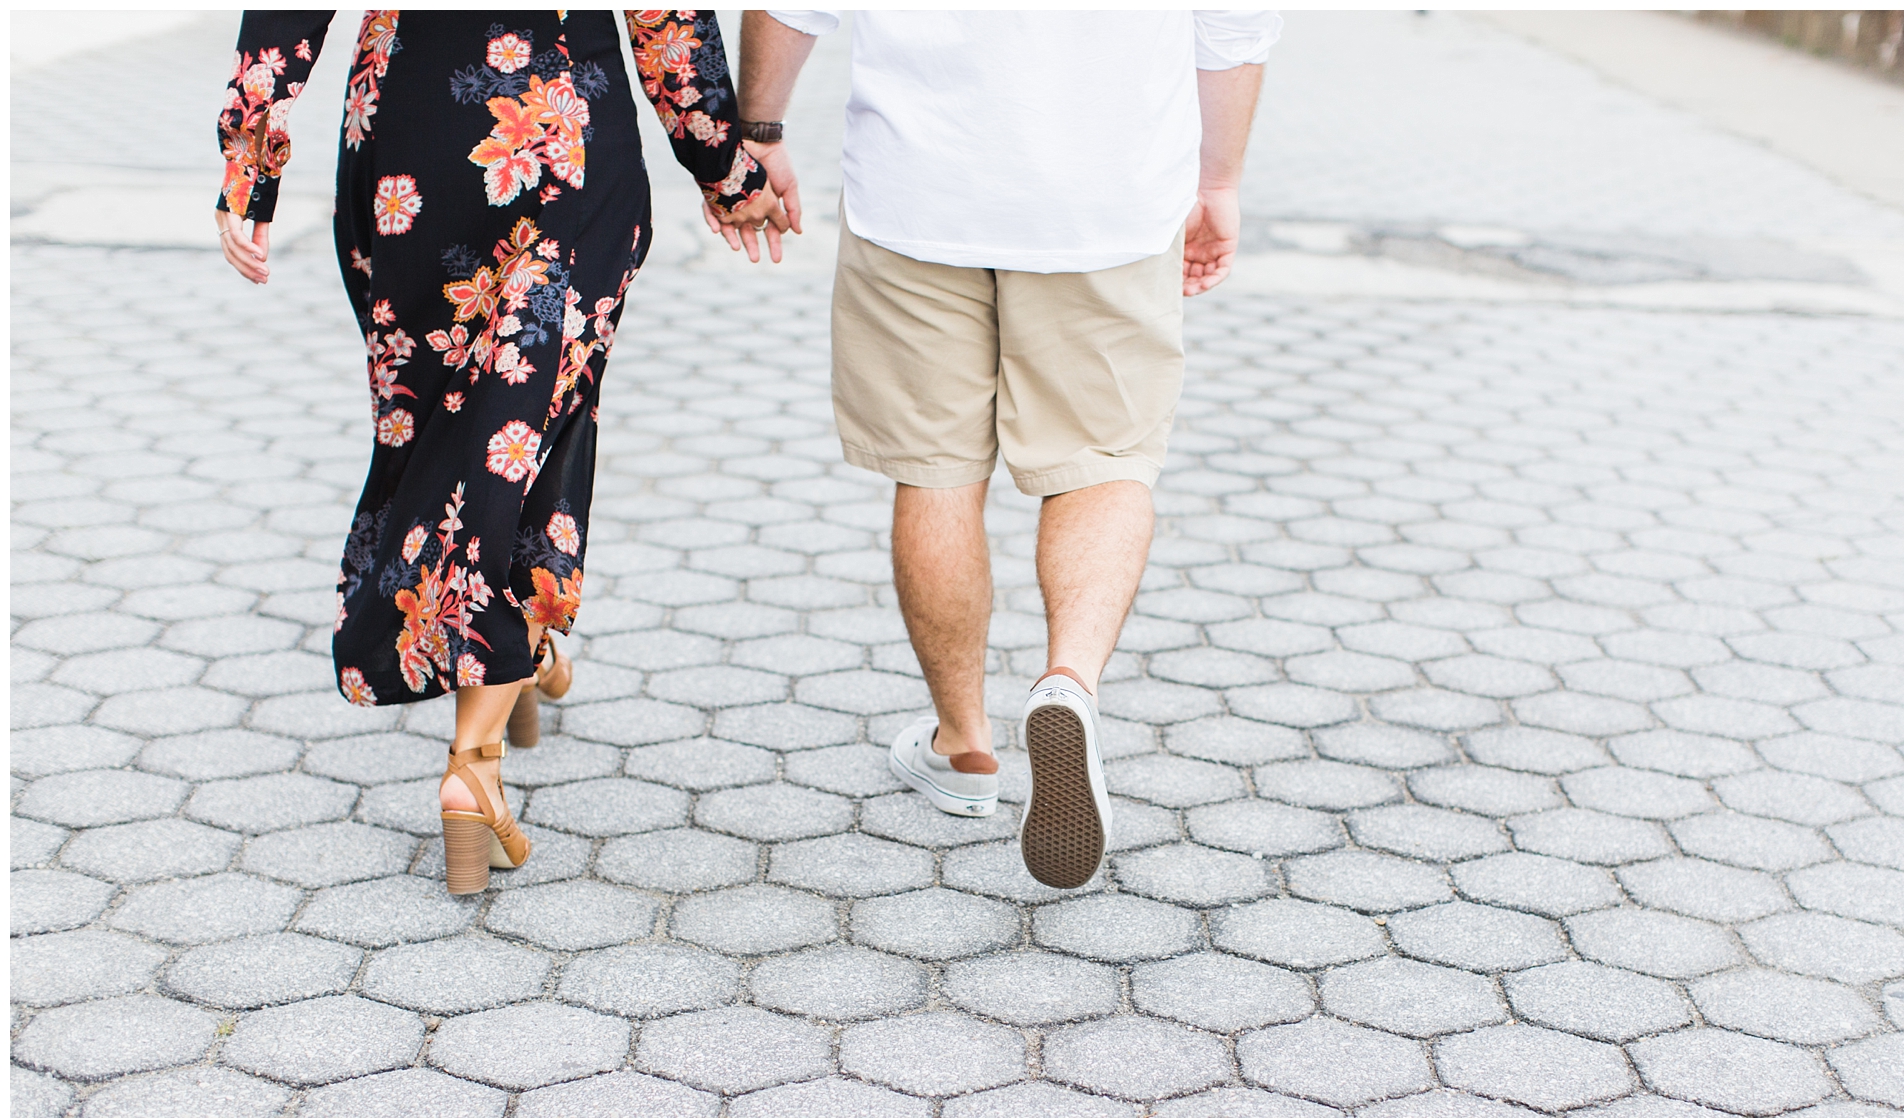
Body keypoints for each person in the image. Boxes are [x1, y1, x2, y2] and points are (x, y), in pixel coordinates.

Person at [214, 10, 782, 894]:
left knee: (442, 422)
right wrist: (724, 163)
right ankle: (473, 757)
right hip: (560, 134)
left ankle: (514, 650)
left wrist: (250, 156)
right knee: (527, 423)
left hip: (407, 131)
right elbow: (663, 17)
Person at [733, 10, 1280, 887]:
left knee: (937, 469)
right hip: (1108, 197)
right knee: (1105, 461)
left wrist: (755, 129)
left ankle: (964, 746)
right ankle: (1067, 683)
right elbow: (1234, 26)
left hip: (919, 190)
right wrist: (1219, 179)